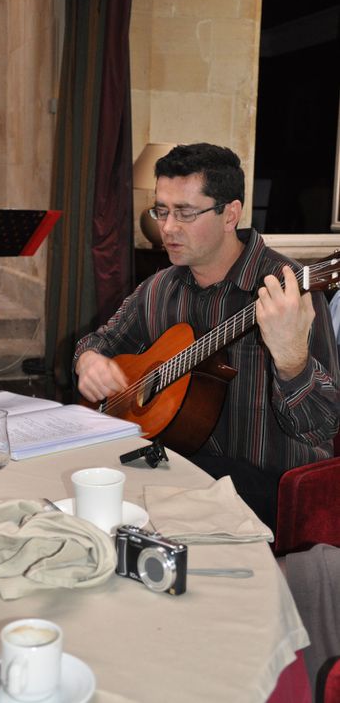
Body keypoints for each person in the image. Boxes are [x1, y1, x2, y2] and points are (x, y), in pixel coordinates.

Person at [73, 143, 340, 529]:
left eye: (184, 212)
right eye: (161, 211)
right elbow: (97, 342)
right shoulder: (160, 287)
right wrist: (90, 361)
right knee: (88, 495)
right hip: (180, 472)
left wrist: (292, 359)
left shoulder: (289, 291)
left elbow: (321, 427)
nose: (167, 227)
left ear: (230, 214)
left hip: (271, 489)